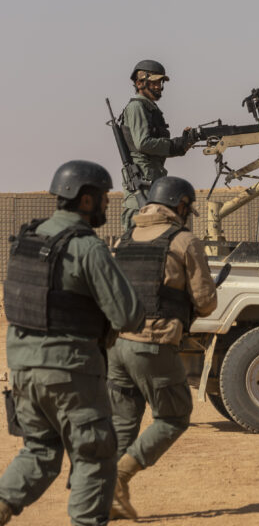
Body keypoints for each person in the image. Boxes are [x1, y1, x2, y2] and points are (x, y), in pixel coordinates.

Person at [0, 161, 144, 526]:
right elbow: (128, 315)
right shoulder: (86, 247)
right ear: (85, 200)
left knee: (40, 451)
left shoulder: (27, 240)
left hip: (22, 370)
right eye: (103, 199)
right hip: (70, 372)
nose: (107, 206)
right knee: (94, 456)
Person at [107, 176, 217, 520]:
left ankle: (106, 496)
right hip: (151, 346)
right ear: (180, 205)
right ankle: (118, 478)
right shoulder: (184, 241)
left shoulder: (124, 240)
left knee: (124, 423)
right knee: (173, 417)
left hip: (116, 345)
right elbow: (207, 302)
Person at [119, 59, 198, 230]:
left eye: (159, 82)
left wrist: (181, 145)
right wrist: (173, 146)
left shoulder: (150, 109)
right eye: (153, 82)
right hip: (142, 189)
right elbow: (143, 143)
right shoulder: (137, 107)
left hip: (151, 185)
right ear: (140, 82)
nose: (158, 86)